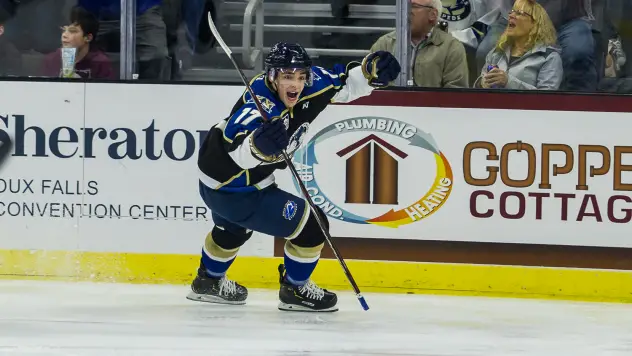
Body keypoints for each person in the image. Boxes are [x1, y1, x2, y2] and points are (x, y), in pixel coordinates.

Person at [189, 42, 401, 312]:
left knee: (232, 229)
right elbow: (238, 150)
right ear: (272, 76)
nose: (296, 84)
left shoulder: (313, 84)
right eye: (287, 76)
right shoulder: (259, 104)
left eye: (300, 76)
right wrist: (258, 146)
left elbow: (345, 84)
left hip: (219, 179)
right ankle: (295, 289)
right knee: (313, 227)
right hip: (234, 187)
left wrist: (371, 72)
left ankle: (208, 282)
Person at [476, 0, 563, 90]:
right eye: (512, 12)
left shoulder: (549, 57)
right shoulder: (497, 52)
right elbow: (478, 91)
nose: (511, 16)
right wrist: (482, 84)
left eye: (519, 13)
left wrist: (508, 82)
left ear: (535, 23)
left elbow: (547, 100)